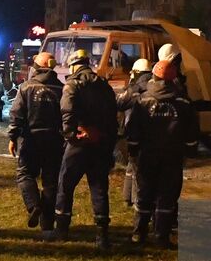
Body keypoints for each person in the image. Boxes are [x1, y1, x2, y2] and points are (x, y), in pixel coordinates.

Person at [123, 60, 197, 246]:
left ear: (153, 77)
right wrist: (189, 151)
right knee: (167, 195)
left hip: (147, 155)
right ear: (174, 79)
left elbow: (134, 130)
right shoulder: (183, 102)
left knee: (144, 193)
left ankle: (138, 233)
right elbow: (192, 132)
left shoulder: (142, 100)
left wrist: (133, 151)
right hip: (172, 156)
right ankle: (161, 236)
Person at [53, 48, 118, 250]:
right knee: (99, 187)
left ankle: (61, 229)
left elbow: (67, 112)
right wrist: (106, 139)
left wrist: (71, 136)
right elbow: (112, 115)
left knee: (66, 184)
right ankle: (102, 235)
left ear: (73, 65)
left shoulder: (72, 85)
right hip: (100, 144)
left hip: (78, 145)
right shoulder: (104, 86)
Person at [7, 52, 63, 239]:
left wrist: (13, 136)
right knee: (50, 181)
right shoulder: (61, 88)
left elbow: (17, 113)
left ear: (36, 68)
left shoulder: (26, 87)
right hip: (55, 140)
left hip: (32, 139)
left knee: (24, 173)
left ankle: (33, 205)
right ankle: (47, 224)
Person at [118, 57, 153, 210]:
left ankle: (134, 200)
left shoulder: (135, 90)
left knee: (135, 166)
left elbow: (119, 103)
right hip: (153, 133)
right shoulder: (155, 87)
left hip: (135, 132)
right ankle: (128, 197)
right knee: (135, 166)